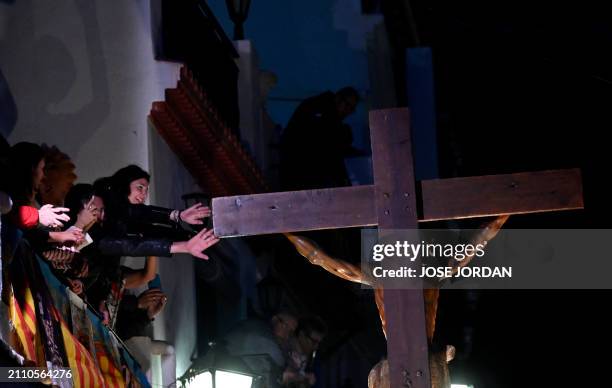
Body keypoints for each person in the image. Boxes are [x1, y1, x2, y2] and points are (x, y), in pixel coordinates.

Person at [280, 87, 360, 191]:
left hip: (302, 175)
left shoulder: (324, 112)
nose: (347, 112)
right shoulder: (319, 110)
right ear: (337, 98)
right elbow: (326, 148)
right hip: (300, 174)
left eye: (351, 109)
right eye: (347, 105)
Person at [283, 316, 327, 388]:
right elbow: (278, 375)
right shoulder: (285, 346)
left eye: (319, 343)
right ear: (301, 335)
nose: (316, 347)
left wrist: (305, 384)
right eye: (314, 342)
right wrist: (301, 377)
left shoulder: (306, 359)